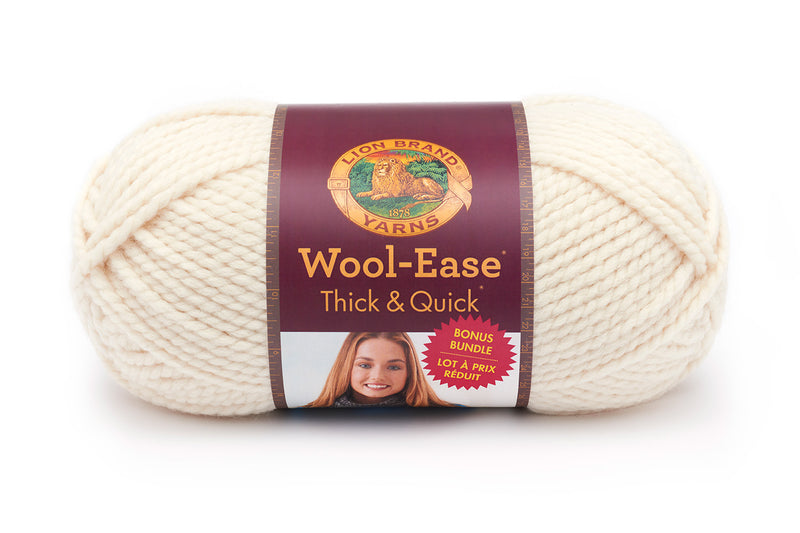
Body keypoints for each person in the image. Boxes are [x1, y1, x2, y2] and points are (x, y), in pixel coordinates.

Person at [306, 332, 450, 408]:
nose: (377, 376)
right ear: (345, 367)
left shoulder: (447, 416)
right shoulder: (308, 417)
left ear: (410, 372)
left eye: (393, 367)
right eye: (365, 365)